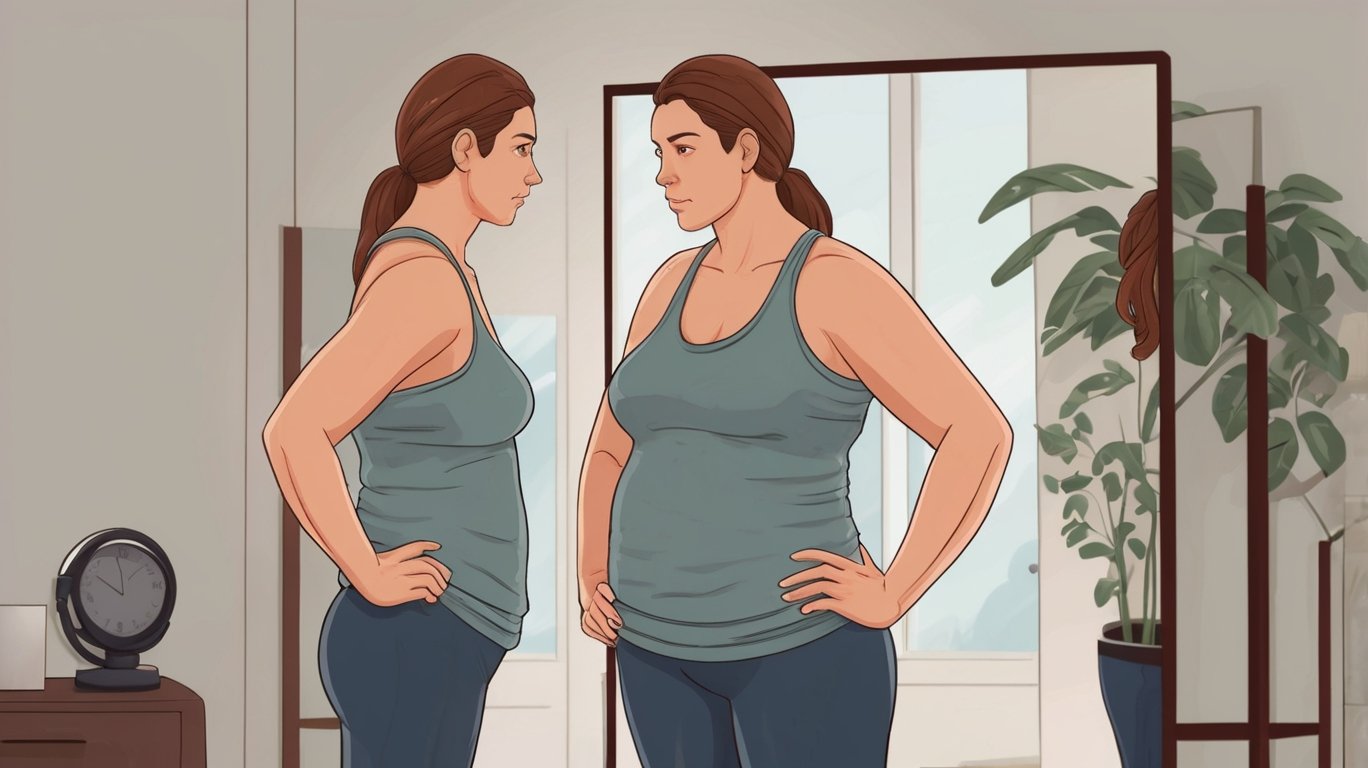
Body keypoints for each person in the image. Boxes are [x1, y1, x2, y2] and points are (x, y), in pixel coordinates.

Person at [576, 54, 1014, 766]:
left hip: (801, 652)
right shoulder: (667, 285)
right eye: (659, 153)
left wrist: (895, 592)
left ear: (745, 149)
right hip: (654, 651)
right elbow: (609, 446)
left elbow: (980, 434)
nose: (664, 174)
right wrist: (591, 570)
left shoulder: (835, 284)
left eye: (683, 149)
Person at [262, 53, 542, 768]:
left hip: (443, 637)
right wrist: (370, 570)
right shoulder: (422, 284)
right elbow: (294, 429)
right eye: (521, 148)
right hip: (412, 637)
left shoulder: (448, 273)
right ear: (465, 149)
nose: (533, 174)